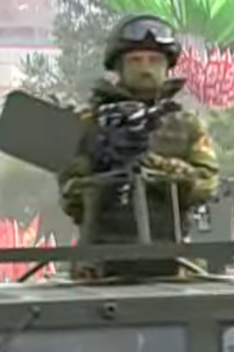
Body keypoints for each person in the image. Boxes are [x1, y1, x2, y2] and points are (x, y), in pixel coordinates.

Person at [59, 15, 219, 253]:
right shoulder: (90, 123)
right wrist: (110, 178)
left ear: (167, 67)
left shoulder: (186, 125)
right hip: (100, 259)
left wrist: (155, 167)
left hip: (173, 259)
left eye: (154, 60)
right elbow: (70, 197)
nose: (145, 69)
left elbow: (207, 185)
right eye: (135, 60)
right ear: (119, 67)